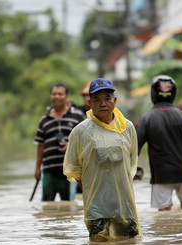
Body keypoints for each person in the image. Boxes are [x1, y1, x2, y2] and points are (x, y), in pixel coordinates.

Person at [63, 78, 141, 242]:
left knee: (128, 241)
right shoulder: (81, 131)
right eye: (96, 100)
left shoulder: (128, 127)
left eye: (107, 98)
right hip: (96, 207)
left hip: (124, 205)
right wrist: (90, 193)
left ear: (115, 101)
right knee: (99, 240)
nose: (103, 103)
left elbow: (132, 161)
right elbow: (74, 168)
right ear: (89, 103)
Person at [135, 75, 182, 211]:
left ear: (153, 93)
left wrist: (132, 168)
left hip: (162, 174)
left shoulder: (147, 118)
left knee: (164, 212)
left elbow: (136, 146)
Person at [34, 83, 85, 201]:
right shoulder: (44, 118)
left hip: (70, 171)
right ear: (51, 96)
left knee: (68, 205)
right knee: (47, 205)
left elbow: (86, 140)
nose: (57, 96)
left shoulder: (77, 115)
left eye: (60, 94)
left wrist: (71, 146)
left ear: (66, 97)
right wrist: (37, 168)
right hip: (49, 170)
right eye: (54, 94)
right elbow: (40, 144)